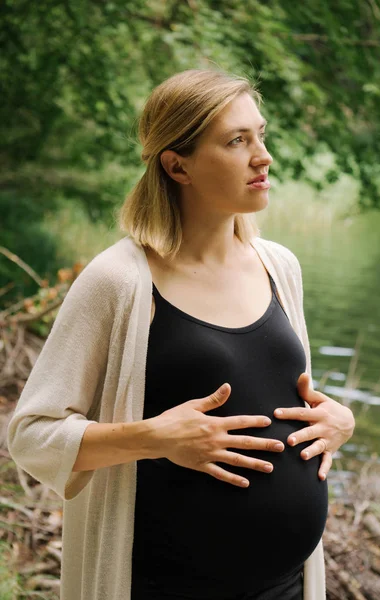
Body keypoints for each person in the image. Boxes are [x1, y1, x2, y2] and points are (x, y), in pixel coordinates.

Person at [7, 68, 355, 600]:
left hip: (285, 587)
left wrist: (337, 420)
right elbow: (31, 435)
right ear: (177, 165)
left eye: (261, 135)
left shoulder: (279, 266)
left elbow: (286, 391)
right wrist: (155, 438)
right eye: (237, 141)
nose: (263, 157)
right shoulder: (118, 281)